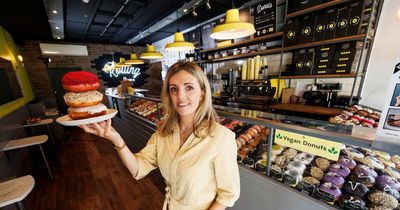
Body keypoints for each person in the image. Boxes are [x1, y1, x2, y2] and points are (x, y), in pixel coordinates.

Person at [79, 62, 240, 210]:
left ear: (203, 93)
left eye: (189, 87)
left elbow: (227, 195)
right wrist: (116, 138)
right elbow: (139, 168)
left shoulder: (221, 138)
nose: (180, 96)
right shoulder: (164, 131)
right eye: (174, 89)